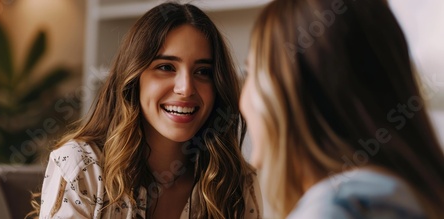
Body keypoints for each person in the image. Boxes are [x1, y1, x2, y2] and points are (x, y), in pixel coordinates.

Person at [34, 2, 262, 219]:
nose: (186, 88)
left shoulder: (238, 182)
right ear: (134, 78)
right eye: (166, 67)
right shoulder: (80, 166)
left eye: (203, 71)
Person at [240, 0, 444, 218]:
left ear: (293, 94)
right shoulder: (410, 198)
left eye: (250, 72)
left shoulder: (332, 210)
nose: (242, 99)